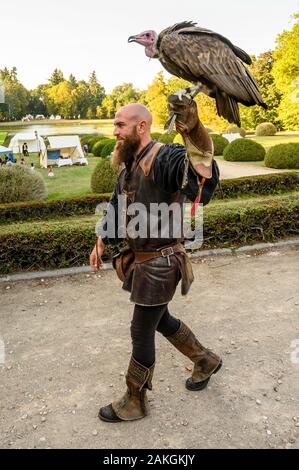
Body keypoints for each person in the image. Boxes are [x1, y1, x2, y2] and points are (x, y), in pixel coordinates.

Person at [90, 95, 222, 423]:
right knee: (160, 320)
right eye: (115, 125)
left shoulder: (165, 158)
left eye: (121, 125)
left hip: (160, 264)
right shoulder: (130, 162)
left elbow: (201, 168)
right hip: (143, 261)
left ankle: (135, 400)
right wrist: (101, 240)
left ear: (142, 126)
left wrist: (193, 130)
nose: (116, 131)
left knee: (140, 329)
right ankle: (204, 359)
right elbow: (117, 202)